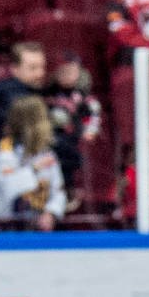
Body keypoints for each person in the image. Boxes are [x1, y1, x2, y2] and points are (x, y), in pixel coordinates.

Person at [0, 96, 68, 231]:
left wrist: (51, 213)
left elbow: (58, 192)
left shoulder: (47, 155)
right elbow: (10, 188)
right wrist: (34, 169)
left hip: (38, 234)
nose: (47, 125)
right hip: (4, 235)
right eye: (43, 120)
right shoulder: (4, 154)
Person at [44, 53, 104, 194]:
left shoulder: (82, 97)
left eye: (72, 73)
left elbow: (93, 114)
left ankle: (70, 189)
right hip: (53, 139)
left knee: (72, 160)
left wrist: (90, 130)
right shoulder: (49, 95)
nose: (68, 76)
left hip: (74, 138)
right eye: (64, 72)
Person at [0, 41, 51, 148]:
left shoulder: (41, 91)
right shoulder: (10, 98)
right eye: (33, 68)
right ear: (15, 69)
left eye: (42, 67)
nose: (40, 73)